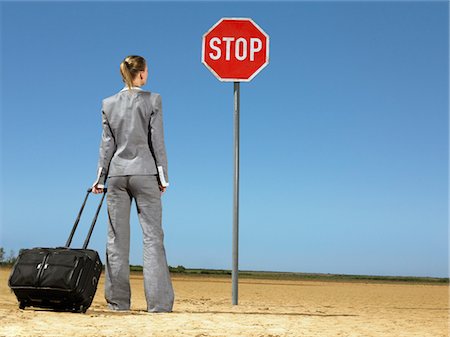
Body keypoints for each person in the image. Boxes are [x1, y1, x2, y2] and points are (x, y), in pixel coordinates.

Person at [92, 55, 174, 312]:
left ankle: (118, 303)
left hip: (116, 175)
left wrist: (99, 179)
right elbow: (156, 142)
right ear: (141, 74)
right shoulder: (153, 100)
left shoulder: (108, 103)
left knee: (115, 239)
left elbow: (107, 145)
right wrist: (163, 178)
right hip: (145, 173)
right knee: (152, 238)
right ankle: (158, 305)